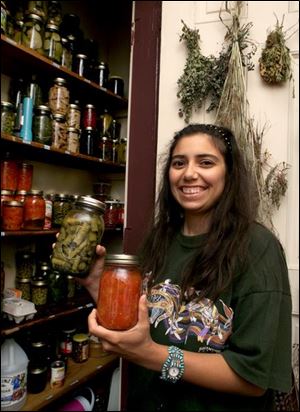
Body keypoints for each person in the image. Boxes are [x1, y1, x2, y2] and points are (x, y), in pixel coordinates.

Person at [83, 124, 292, 411]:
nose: (189, 173)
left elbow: (253, 379)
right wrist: (97, 282)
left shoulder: (258, 248)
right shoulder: (159, 239)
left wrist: (152, 355)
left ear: (228, 174)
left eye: (206, 162)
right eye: (179, 163)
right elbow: (135, 323)